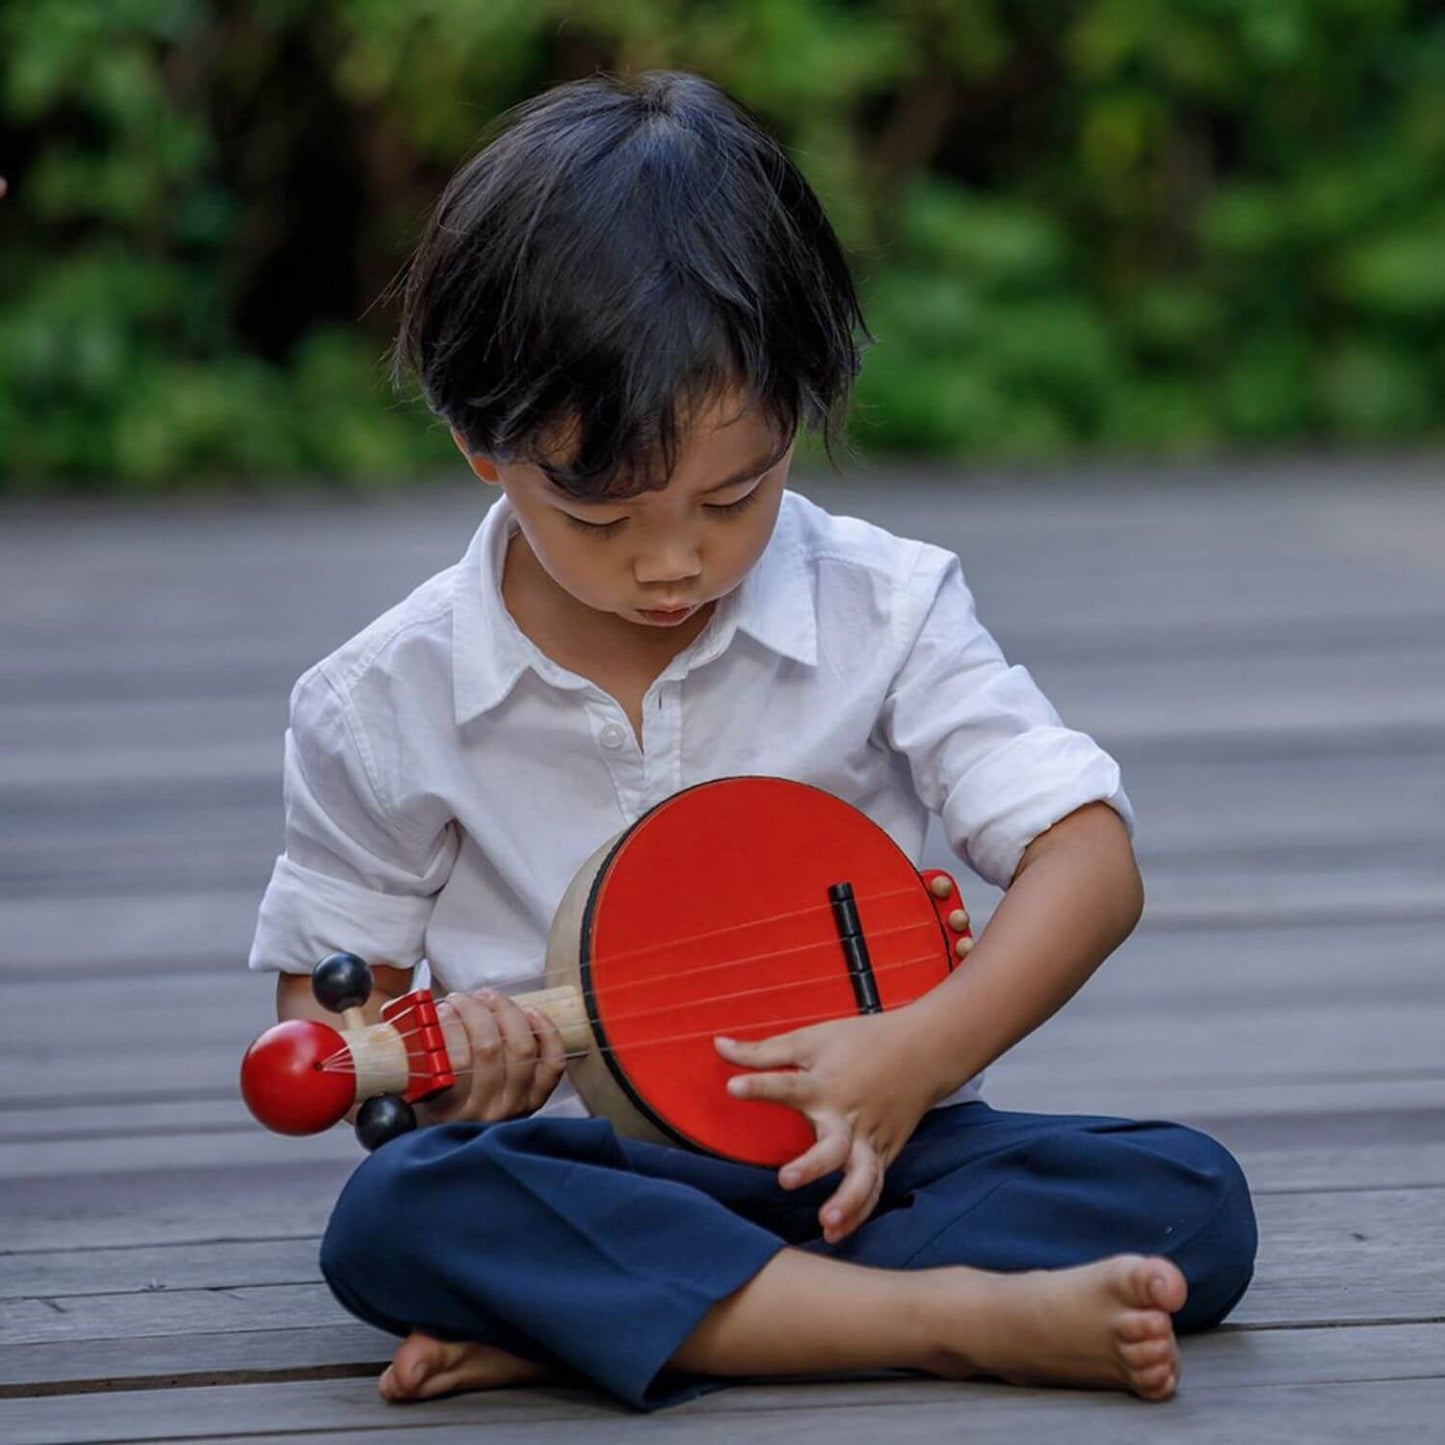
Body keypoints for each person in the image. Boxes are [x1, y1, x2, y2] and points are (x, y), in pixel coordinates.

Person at [249, 69, 1256, 1413]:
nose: (673, 562)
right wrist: (456, 1086)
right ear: (479, 445)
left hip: (873, 1146)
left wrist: (921, 1052)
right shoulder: (379, 698)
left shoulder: (884, 606)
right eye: (602, 518)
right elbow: (328, 1016)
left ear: (804, 406)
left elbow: (1088, 857)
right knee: (401, 1212)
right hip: (589, 1170)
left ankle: (630, 1321)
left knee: (1191, 1195)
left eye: (735, 494)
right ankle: (943, 1318)